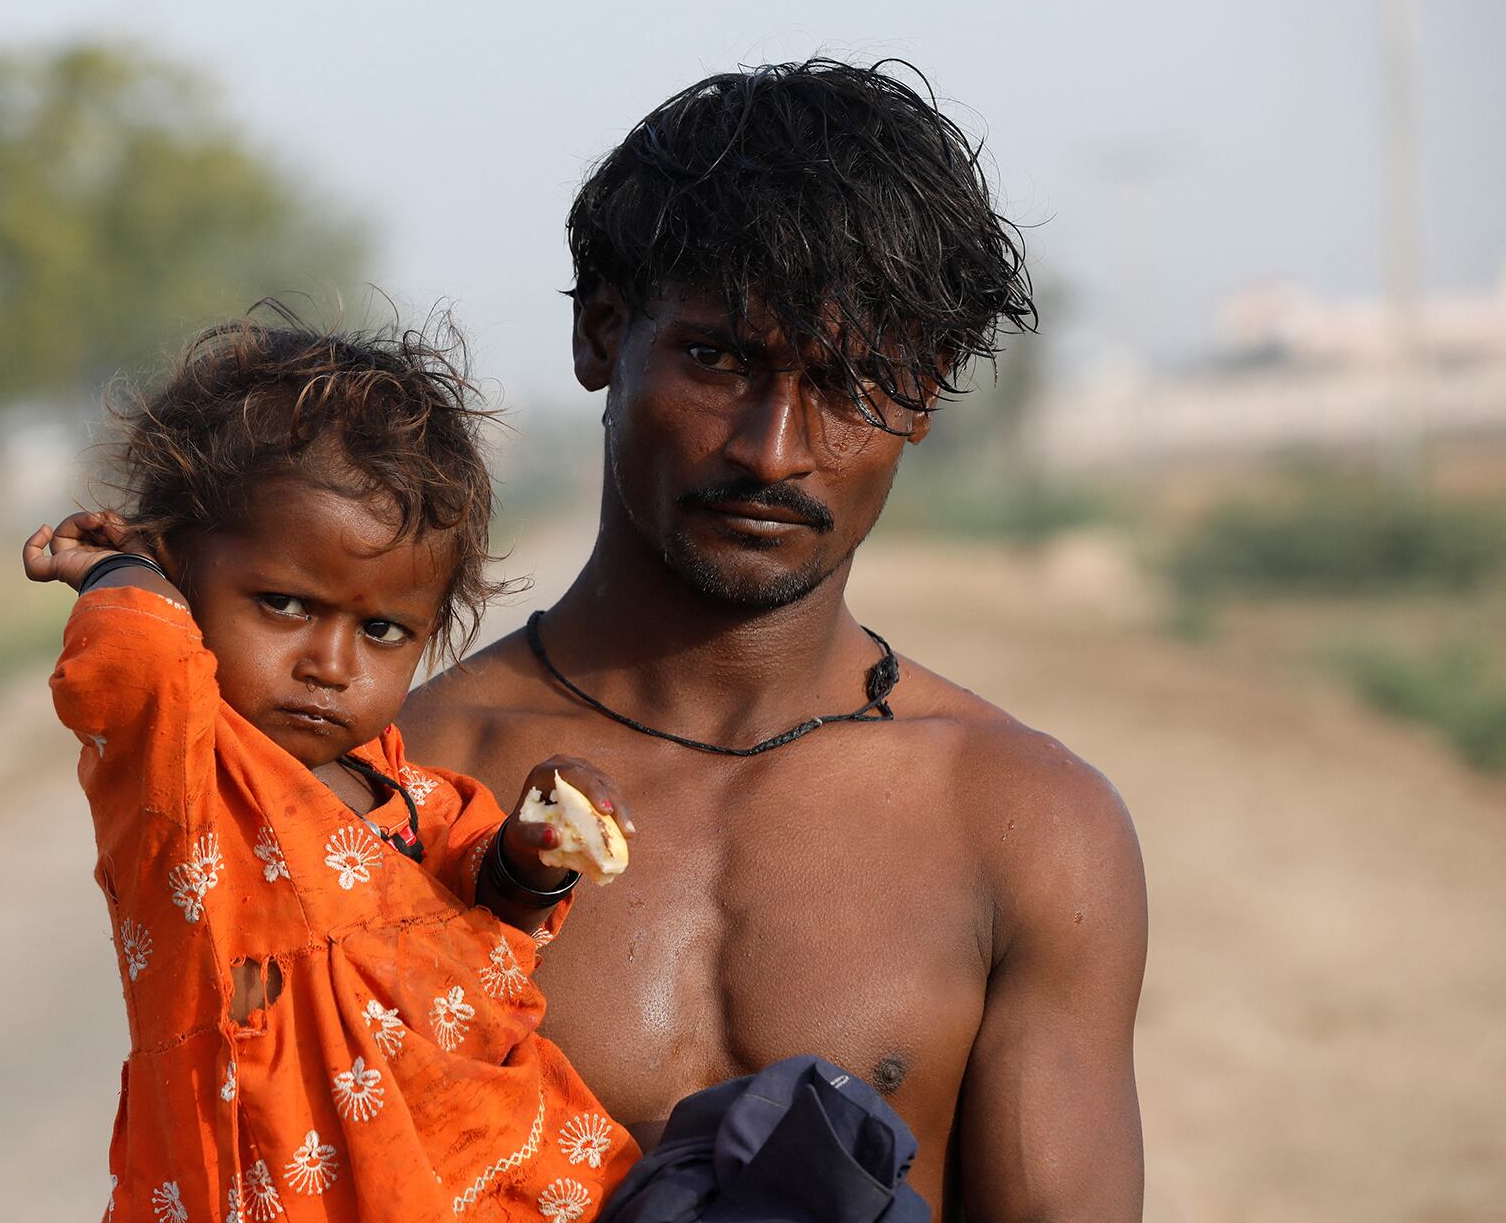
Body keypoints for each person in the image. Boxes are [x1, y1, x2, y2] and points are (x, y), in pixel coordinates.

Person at [401, 59, 1148, 1220]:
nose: (772, 448)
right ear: (603, 331)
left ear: (926, 395)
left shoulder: (1029, 827)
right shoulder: (402, 781)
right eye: (718, 358)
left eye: (850, 380)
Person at [22, 315, 640, 1222]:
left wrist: (535, 850)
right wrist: (125, 567)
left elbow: (492, 921)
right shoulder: (185, 777)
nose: (331, 664)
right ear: (181, 576)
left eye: (382, 629)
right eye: (283, 604)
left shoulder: (414, 797)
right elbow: (137, 658)